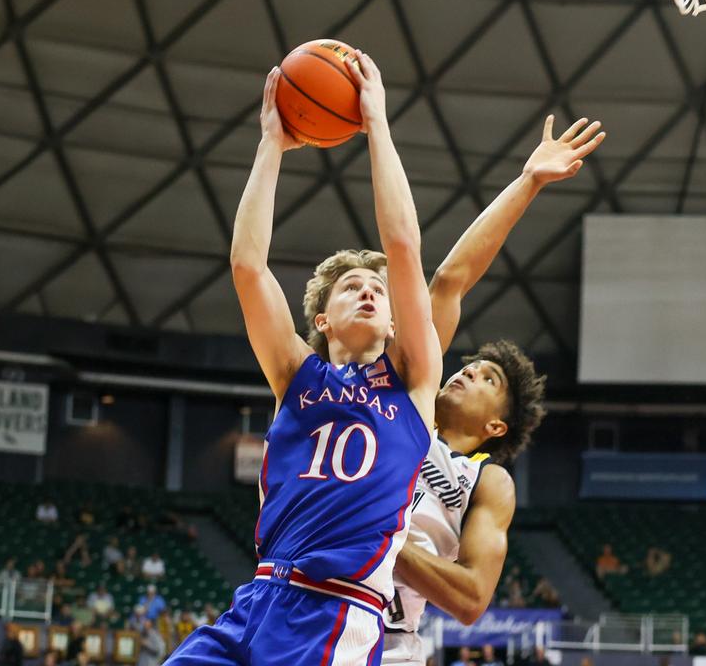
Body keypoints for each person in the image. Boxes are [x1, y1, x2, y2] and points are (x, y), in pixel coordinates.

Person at [165, 52, 439, 666]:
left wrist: (378, 126)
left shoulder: (414, 379)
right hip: (257, 600)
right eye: (352, 287)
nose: (370, 289)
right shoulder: (297, 374)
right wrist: (271, 144)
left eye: (378, 288)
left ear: (395, 320)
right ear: (320, 320)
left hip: (337, 613)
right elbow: (246, 266)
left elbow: (402, 245)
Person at [383, 115, 598, 664]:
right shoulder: (405, 404)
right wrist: (526, 181)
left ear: (496, 426)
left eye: (487, 378)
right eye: (470, 364)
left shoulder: (486, 481)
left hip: (388, 645)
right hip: (308, 620)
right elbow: (450, 282)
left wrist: (377, 536)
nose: (467, 371)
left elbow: (472, 597)